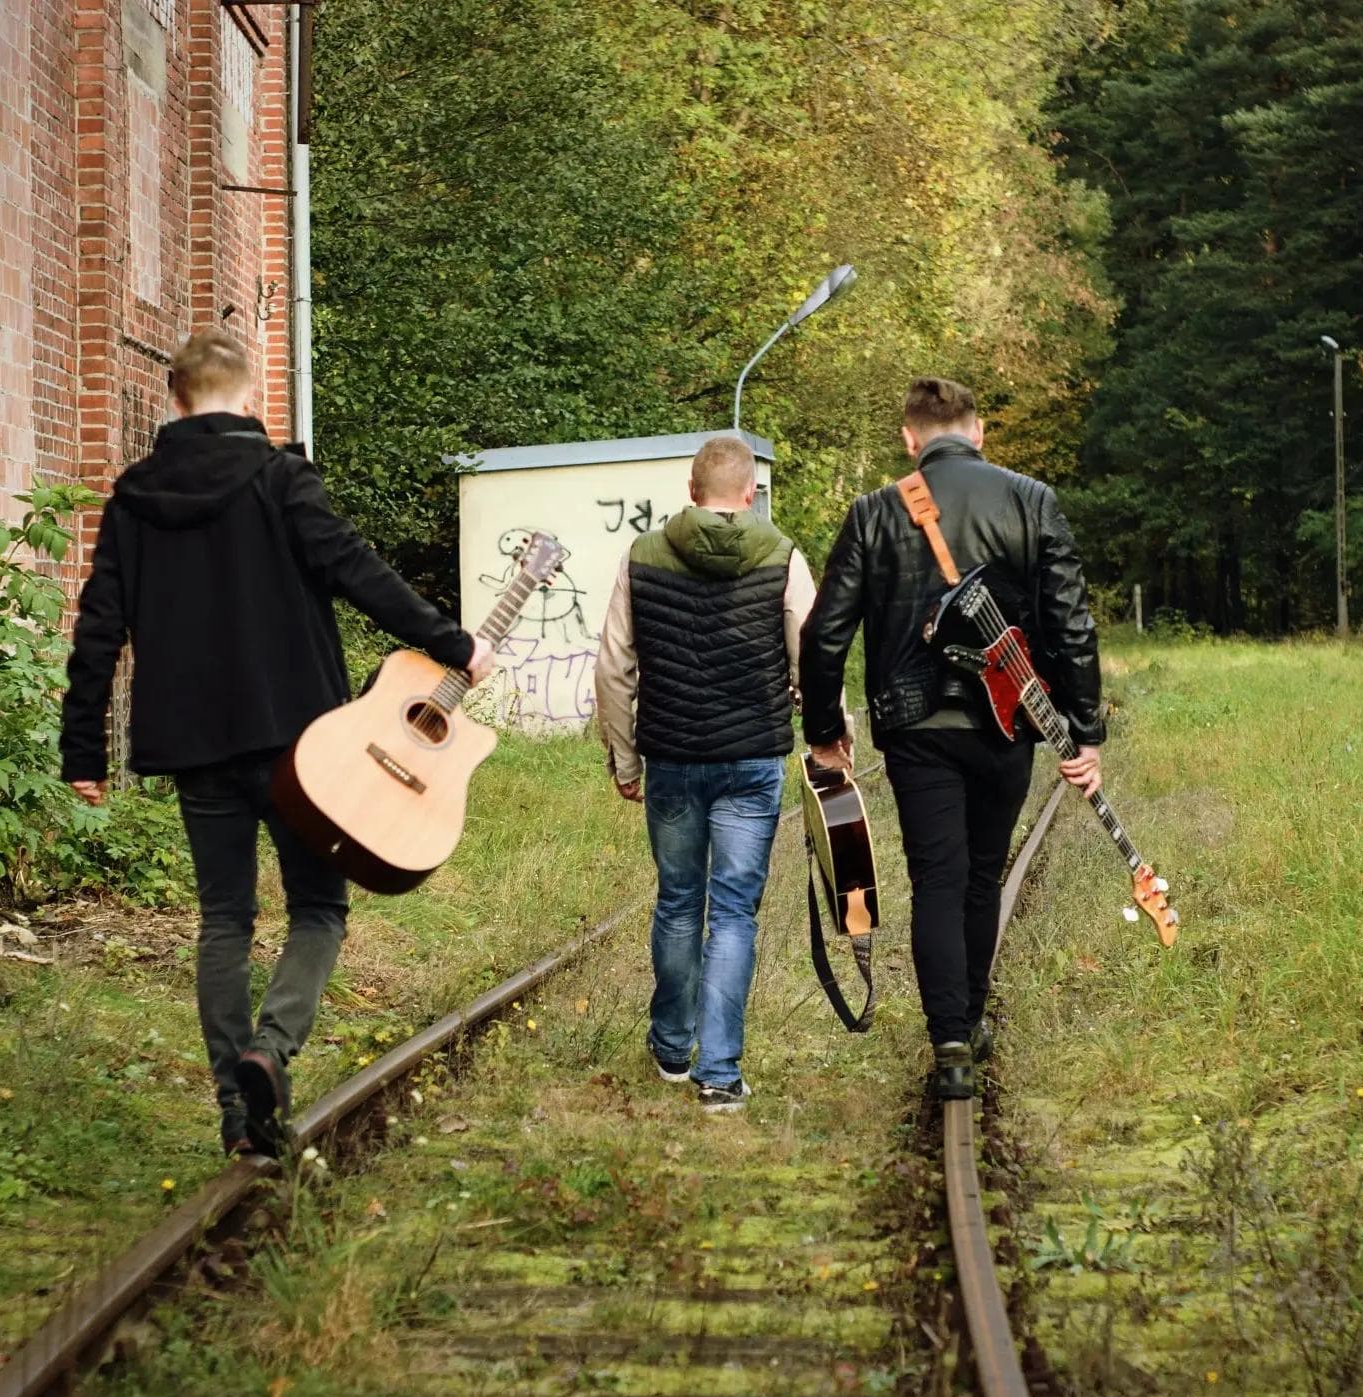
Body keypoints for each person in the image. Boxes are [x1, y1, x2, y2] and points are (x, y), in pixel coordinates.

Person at [60, 329, 492, 1156]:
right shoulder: (280, 479)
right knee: (319, 909)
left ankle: (237, 1109)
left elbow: (98, 628)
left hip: (194, 743)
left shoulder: (134, 498)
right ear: (251, 395)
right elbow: (356, 571)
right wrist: (453, 643)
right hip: (304, 748)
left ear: (175, 399)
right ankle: (272, 1048)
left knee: (224, 918)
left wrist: (83, 751)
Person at [798, 377, 1103, 1100]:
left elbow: (823, 634)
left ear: (910, 439)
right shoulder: (1032, 500)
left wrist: (825, 734)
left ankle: (951, 1042)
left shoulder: (874, 513)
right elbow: (1071, 621)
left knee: (937, 876)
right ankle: (968, 1014)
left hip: (915, 728)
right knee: (982, 875)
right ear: (980, 431)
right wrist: (1083, 729)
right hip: (1008, 721)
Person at [594, 435, 818, 1113]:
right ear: (750, 494)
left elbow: (613, 667)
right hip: (751, 760)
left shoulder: (643, 554)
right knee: (734, 914)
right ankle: (719, 1072)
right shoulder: (783, 556)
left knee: (678, 901)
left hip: (671, 757)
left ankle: (671, 1047)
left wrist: (624, 758)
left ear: (692, 492)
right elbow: (812, 658)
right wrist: (828, 740)